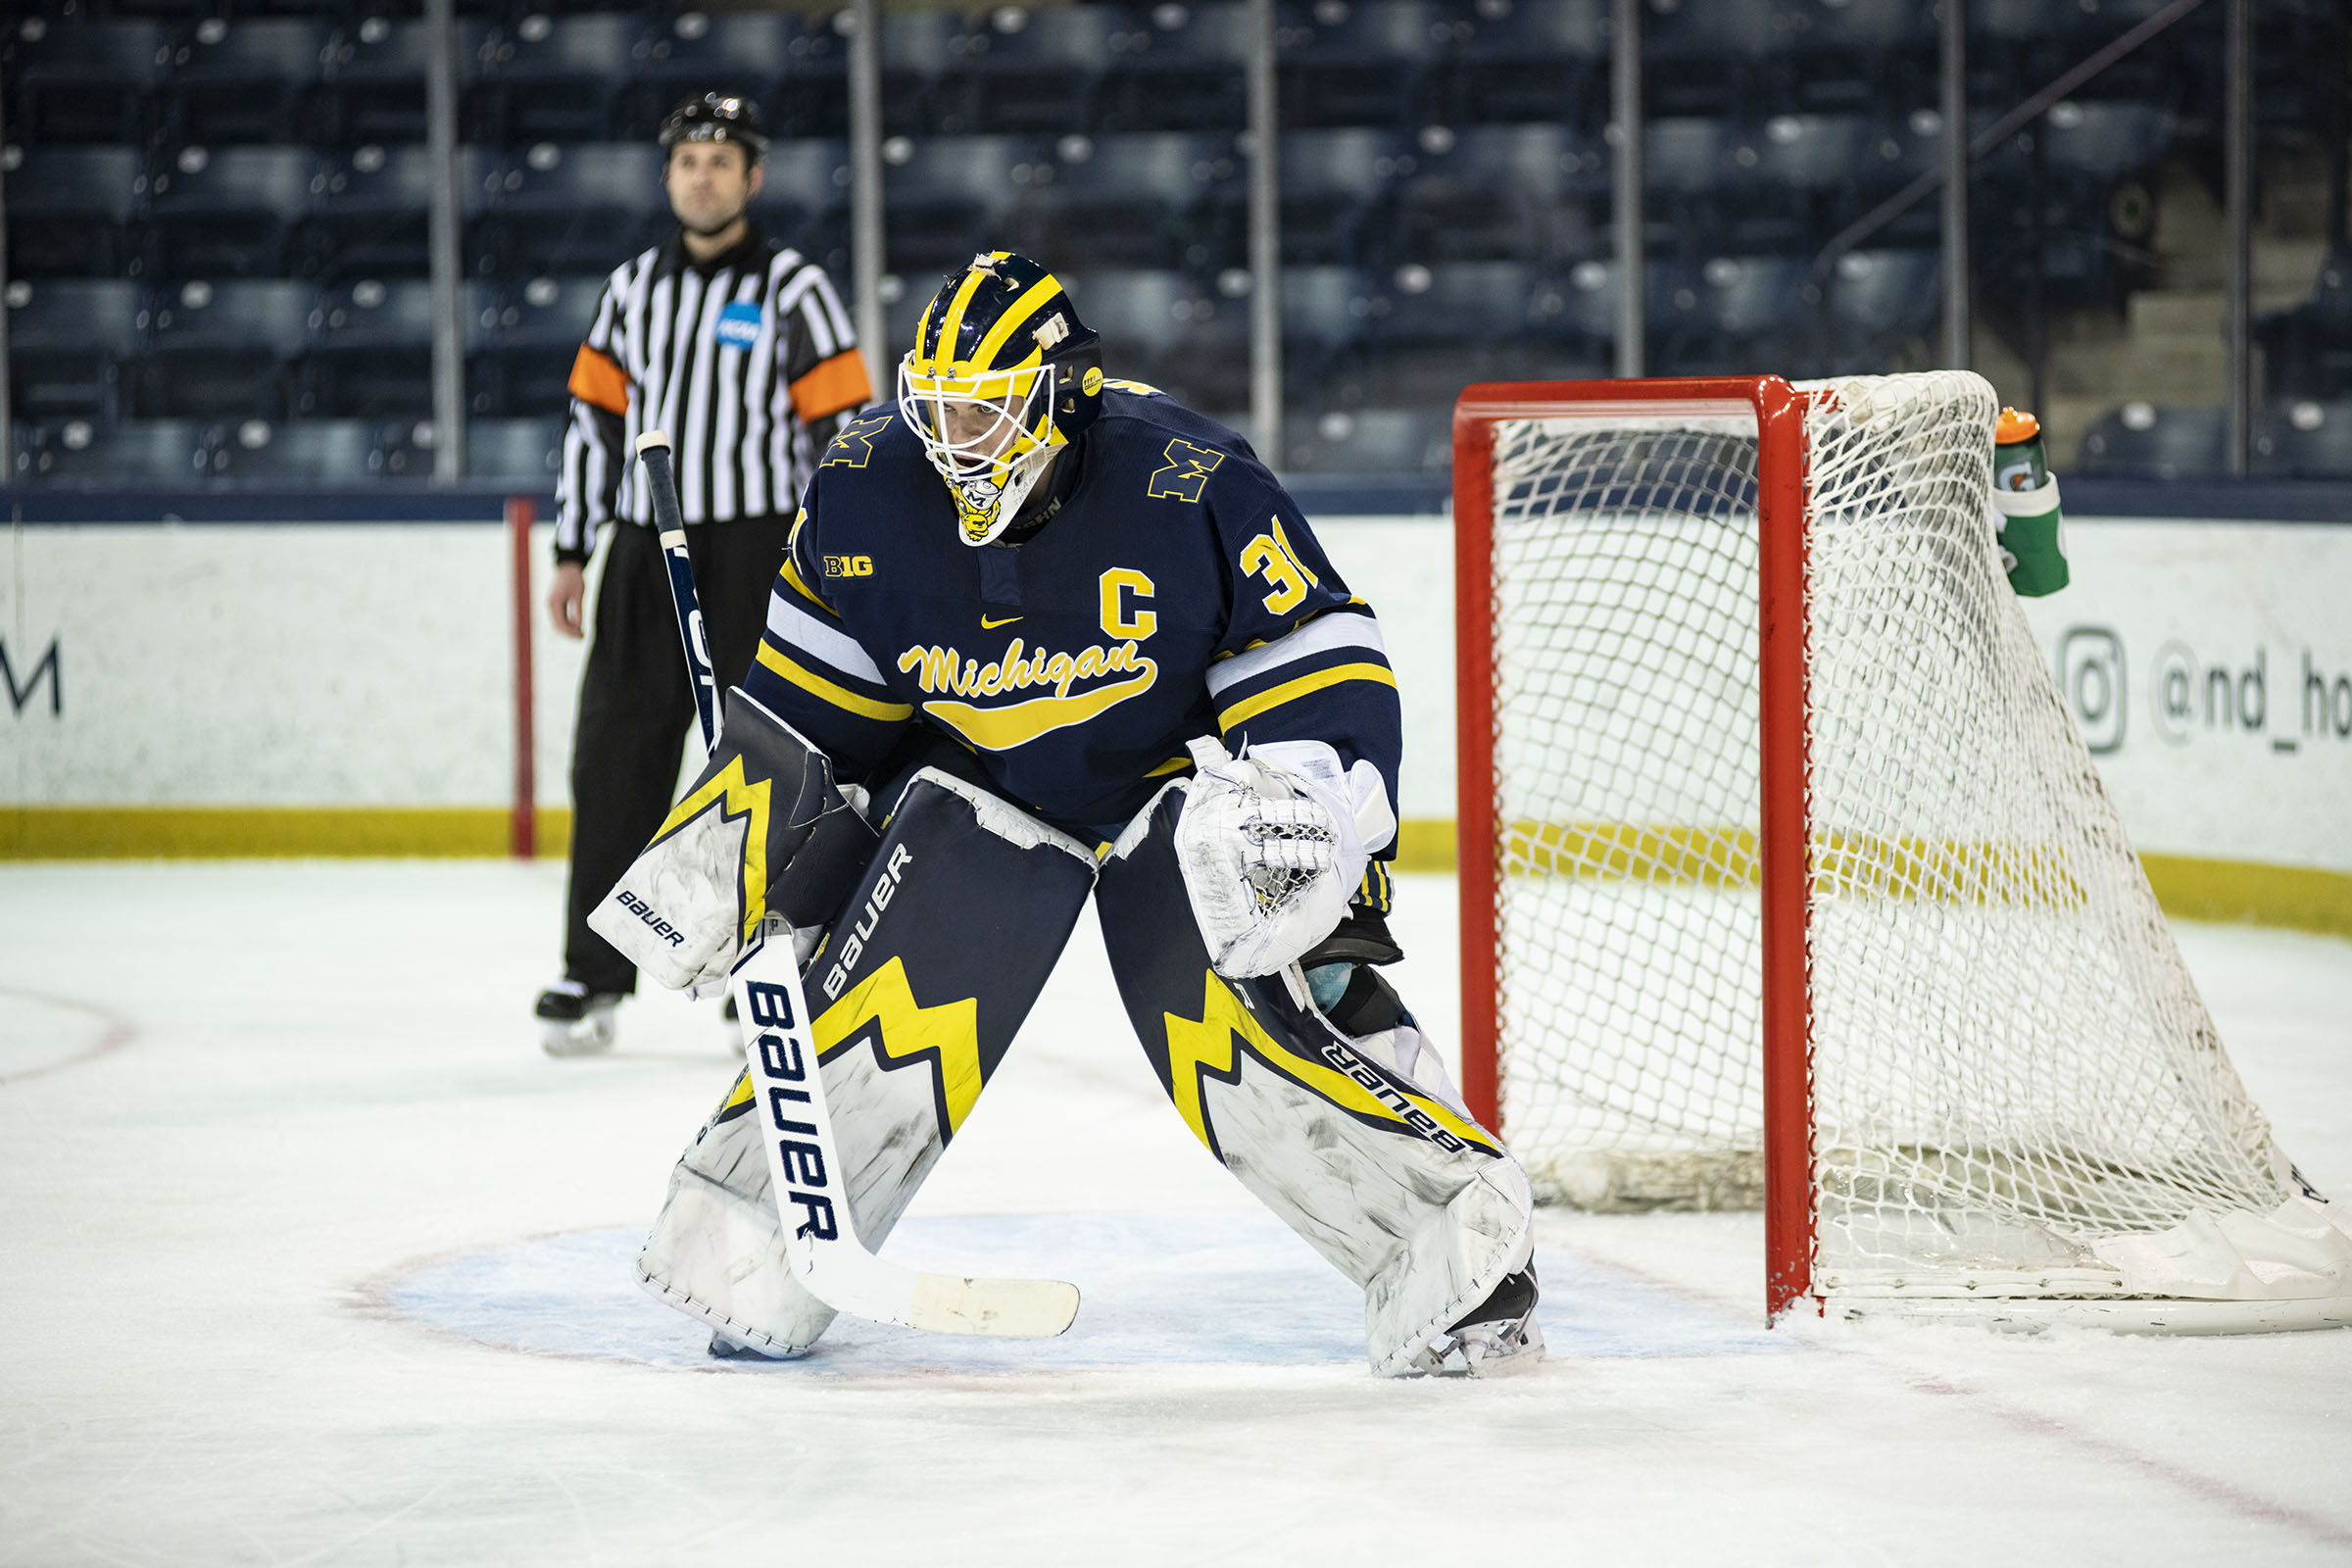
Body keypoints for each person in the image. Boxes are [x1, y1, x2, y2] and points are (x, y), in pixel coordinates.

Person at [592, 253, 1542, 1376]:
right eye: (935, 410)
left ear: (1060, 396)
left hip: (1178, 791)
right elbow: (813, 723)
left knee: (1246, 970)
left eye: (985, 414)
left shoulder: (1190, 481)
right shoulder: (862, 490)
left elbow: (1315, 657)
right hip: (981, 788)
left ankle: (1461, 1243)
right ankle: (751, 1236)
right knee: (896, 955)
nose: (956, 443)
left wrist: (1315, 802)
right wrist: (745, 859)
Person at [536, 93, 873, 1055]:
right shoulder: (632, 289)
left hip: (759, 554)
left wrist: (835, 564)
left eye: (722, 161)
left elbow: (841, 440)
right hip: (647, 553)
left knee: (764, 760)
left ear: (752, 178)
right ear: (668, 175)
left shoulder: (794, 289)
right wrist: (573, 547)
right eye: (688, 160)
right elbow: (592, 428)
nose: (703, 175)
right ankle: (591, 972)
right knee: (613, 761)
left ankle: (766, 967)